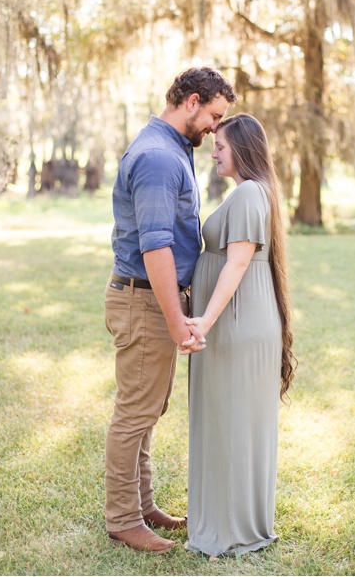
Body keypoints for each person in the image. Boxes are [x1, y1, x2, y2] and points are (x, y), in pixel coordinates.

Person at [105, 66, 237, 553]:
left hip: (147, 298)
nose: (215, 128)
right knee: (134, 412)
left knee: (147, 408)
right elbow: (155, 247)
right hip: (144, 298)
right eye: (214, 116)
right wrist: (176, 318)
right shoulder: (160, 157)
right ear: (192, 101)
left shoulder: (169, 149)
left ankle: (143, 505)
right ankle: (122, 518)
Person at [181, 112, 295, 558]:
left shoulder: (249, 192)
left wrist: (203, 322)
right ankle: (226, 516)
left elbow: (238, 262)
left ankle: (234, 529)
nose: (214, 152)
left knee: (233, 424)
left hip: (235, 325)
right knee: (229, 423)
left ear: (242, 149)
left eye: (221, 146)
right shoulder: (251, 192)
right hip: (236, 322)